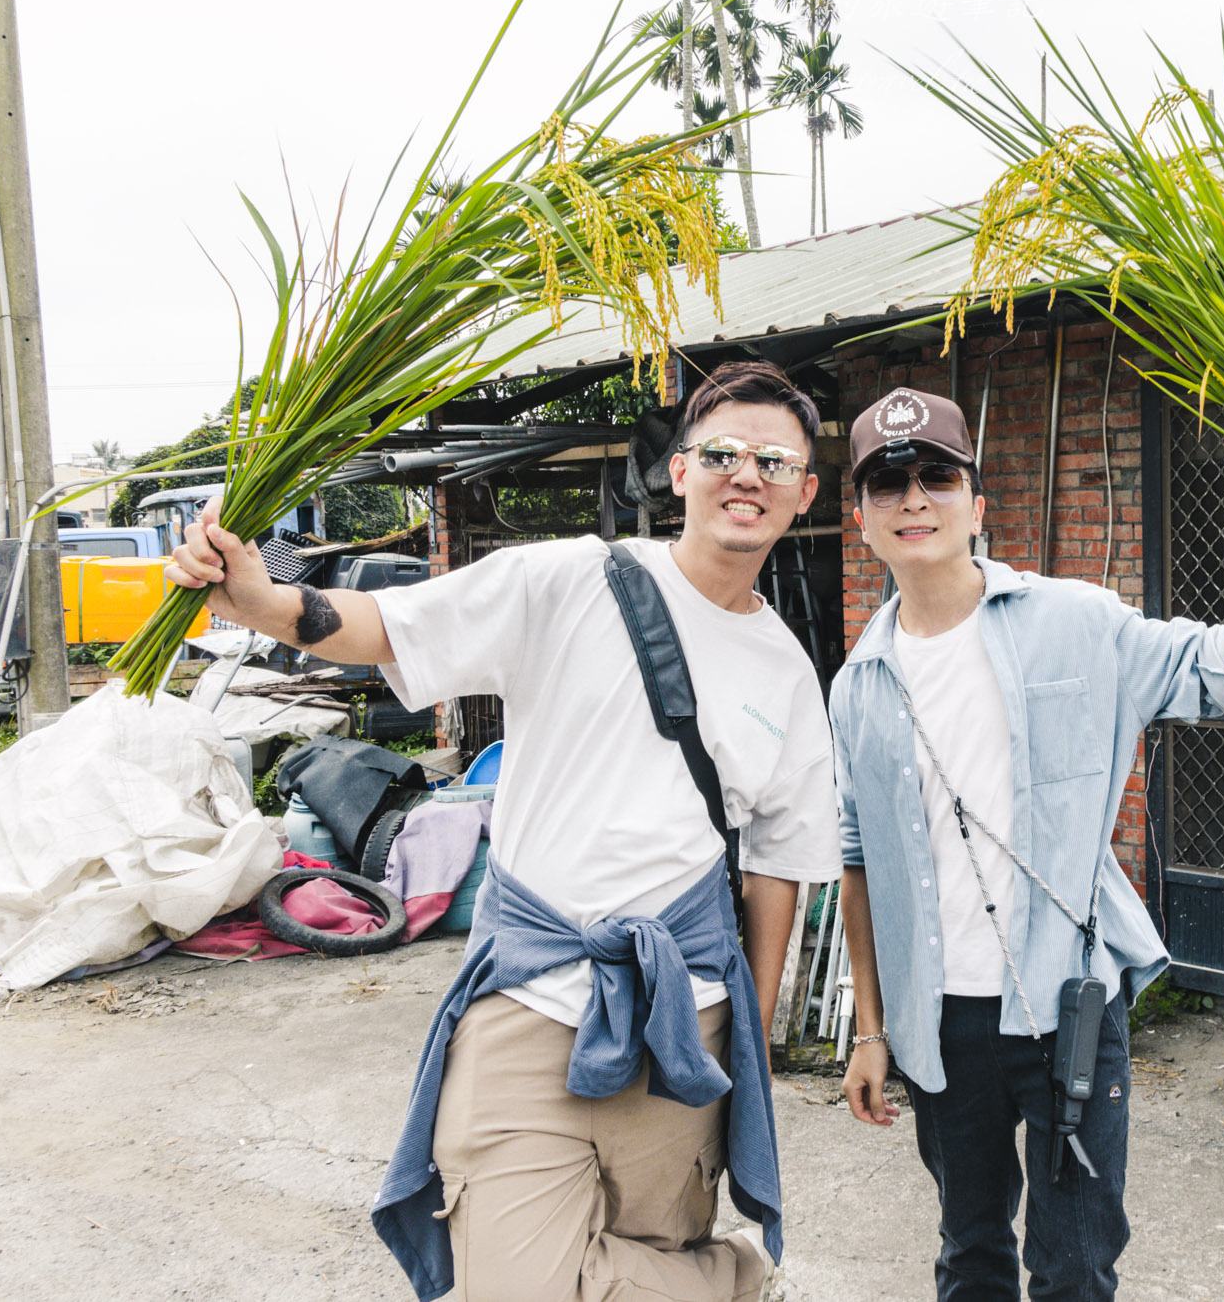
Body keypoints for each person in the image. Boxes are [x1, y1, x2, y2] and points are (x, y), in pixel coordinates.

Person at [165, 360, 839, 1302]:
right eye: (722, 452)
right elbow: (383, 625)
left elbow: (779, 869)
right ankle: (732, 1281)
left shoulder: (788, 674)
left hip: (684, 1026)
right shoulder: (570, 579)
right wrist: (266, 599)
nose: (747, 474)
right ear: (678, 471)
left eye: (774, 460)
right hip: (526, 1002)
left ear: (805, 490)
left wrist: (749, 1045)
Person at [830, 386, 1224, 1300]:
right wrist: (869, 1029)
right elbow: (857, 863)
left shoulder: (1076, 623)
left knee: (1076, 1264)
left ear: (977, 504)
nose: (913, 497)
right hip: (938, 1023)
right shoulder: (856, 684)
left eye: (936, 474)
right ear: (861, 519)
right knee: (968, 1251)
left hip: (1070, 1006)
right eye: (888, 483)